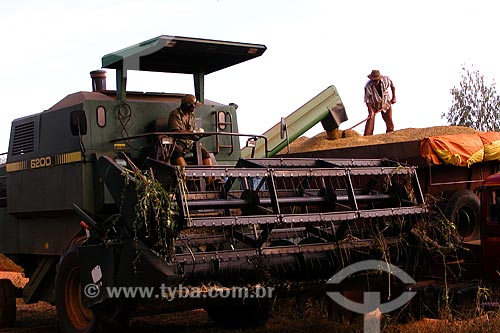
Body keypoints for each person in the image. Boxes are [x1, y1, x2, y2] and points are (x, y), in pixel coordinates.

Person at [168, 94, 212, 166]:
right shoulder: (175, 114)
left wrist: (200, 135)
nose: (194, 108)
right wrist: (194, 132)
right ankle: (184, 174)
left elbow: (193, 132)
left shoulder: (192, 115)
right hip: (178, 142)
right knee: (177, 153)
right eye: (193, 106)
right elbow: (176, 132)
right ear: (187, 105)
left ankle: (211, 176)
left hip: (190, 142)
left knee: (205, 153)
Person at [363, 70, 396, 136]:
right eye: (373, 80)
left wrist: (394, 97)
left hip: (385, 103)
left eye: (376, 80)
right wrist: (371, 110)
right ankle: (366, 139)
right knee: (369, 123)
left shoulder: (386, 80)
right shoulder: (368, 86)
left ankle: (390, 137)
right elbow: (367, 100)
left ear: (379, 79)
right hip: (374, 105)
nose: (374, 82)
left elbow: (392, 86)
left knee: (390, 124)